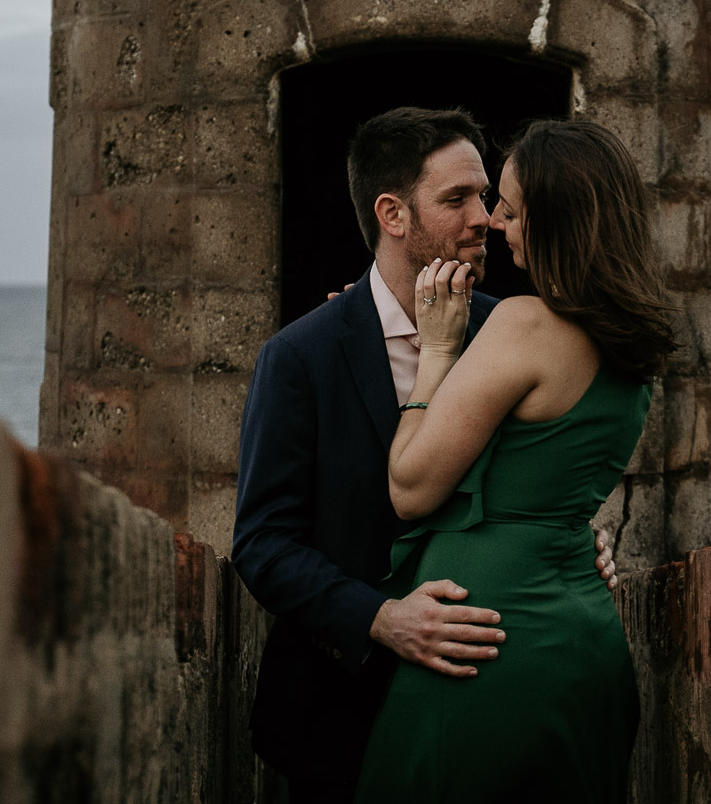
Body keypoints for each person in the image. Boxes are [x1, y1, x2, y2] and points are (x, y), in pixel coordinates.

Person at [231, 106, 620, 804]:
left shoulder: (513, 332)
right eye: (457, 199)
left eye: (487, 196)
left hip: (493, 705)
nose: (486, 218)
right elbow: (262, 544)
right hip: (339, 715)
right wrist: (380, 619)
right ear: (393, 214)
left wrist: (566, 539)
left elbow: (522, 484)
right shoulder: (300, 357)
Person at [353, 117, 675, 804]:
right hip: (583, 633)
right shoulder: (631, 347)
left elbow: (409, 489)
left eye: (510, 207)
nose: (495, 222)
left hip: (491, 646)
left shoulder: (525, 325)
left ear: (554, 222)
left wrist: (437, 351)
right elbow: (554, 483)